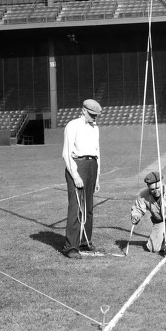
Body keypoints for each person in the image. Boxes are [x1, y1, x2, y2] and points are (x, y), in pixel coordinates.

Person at [62, 98, 102, 259]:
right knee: (76, 207)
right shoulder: (73, 125)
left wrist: (97, 177)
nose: (95, 118)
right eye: (92, 114)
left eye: (97, 115)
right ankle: (71, 246)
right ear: (84, 110)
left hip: (92, 166)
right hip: (78, 166)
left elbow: (97, 152)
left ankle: (85, 241)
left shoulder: (95, 128)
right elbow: (66, 152)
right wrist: (75, 175)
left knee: (89, 208)